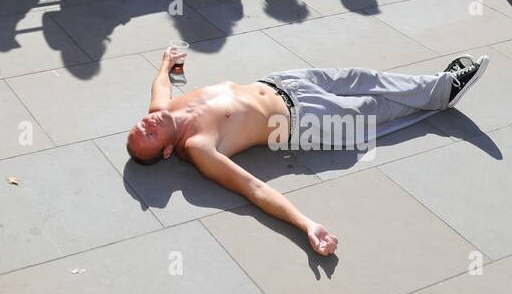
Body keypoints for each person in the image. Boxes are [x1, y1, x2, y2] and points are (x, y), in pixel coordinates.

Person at [126, 45, 490, 256]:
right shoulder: (198, 147)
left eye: (140, 126)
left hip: (284, 81)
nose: (146, 125)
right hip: (304, 119)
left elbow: (160, 84)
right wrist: (306, 225)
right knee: (373, 109)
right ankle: (446, 92)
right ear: (169, 151)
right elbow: (254, 189)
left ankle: (437, 85)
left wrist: (165, 62)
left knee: (366, 78)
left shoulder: (162, 111)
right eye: (148, 136)